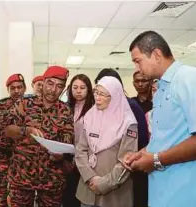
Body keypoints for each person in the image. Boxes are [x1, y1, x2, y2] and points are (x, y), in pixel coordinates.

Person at [124, 31, 196, 207]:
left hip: (183, 194)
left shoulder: (189, 79)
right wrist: (143, 153)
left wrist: (155, 159)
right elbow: (168, 136)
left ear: (156, 55)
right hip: (161, 192)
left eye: (137, 61)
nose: (136, 68)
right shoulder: (161, 89)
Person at [1, 66, 74, 207]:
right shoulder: (25, 104)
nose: (53, 90)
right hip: (21, 176)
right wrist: (26, 130)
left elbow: (68, 139)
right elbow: (8, 130)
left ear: (64, 88)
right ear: (44, 82)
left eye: (59, 86)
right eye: (50, 84)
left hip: (51, 178)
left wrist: (61, 153)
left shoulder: (65, 111)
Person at [75, 76, 138, 207]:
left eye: (103, 94)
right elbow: (80, 150)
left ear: (115, 97)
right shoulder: (90, 116)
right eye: (96, 92)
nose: (97, 97)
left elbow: (127, 161)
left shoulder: (128, 123)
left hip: (113, 193)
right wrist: (90, 177)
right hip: (88, 189)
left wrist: (104, 183)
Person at [95, 68, 149, 207]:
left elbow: (140, 142)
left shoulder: (130, 107)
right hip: (103, 173)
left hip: (126, 171)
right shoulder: (100, 107)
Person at [0, 73, 26, 207]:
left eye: (19, 87)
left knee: (20, 196)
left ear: (24, 88)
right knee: (1, 192)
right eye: (13, 88)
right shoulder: (0, 106)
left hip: (24, 158)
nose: (16, 91)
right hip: (4, 156)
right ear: (8, 90)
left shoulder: (32, 106)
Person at [63, 74, 94, 207]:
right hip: (66, 158)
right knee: (67, 196)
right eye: (75, 87)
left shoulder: (94, 109)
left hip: (85, 159)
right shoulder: (65, 108)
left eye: (82, 87)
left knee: (81, 196)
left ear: (88, 89)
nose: (78, 91)